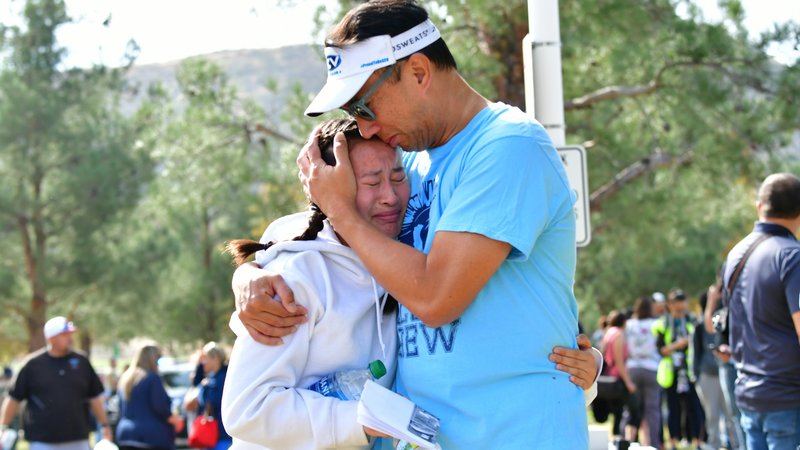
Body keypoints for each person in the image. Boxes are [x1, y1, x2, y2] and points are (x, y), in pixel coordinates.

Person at [231, 1, 601, 448]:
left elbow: (436, 297)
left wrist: (343, 212)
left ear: (419, 72)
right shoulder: (407, 160)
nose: (364, 129)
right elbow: (319, 237)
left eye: (364, 106)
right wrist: (252, 274)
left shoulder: (508, 147)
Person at [221, 118, 404, 449]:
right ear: (331, 189)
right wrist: (359, 420)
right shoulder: (295, 279)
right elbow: (247, 408)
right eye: (371, 183)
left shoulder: (398, 257)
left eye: (398, 177)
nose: (391, 196)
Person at [721, 173, 800, 450]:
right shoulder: (792, 256)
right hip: (788, 397)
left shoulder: (735, 254)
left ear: (759, 206)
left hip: (748, 392)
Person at [0, 316, 113, 449]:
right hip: (42, 440)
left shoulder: (81, 362)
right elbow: (14, 398)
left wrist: (105, 424)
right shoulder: (33, 365)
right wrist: (3, 427)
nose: (70, 338)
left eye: (70, 334)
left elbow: (94, 397)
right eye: (64, 334)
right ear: (51, 338)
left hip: (77, 437)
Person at [653, 289, 704, 450]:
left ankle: (696, 441)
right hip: (671, 373)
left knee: (694, 407)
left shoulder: (692, 321)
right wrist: (678, 344)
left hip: (689, 371)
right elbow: (661, 349)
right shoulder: (663, 324)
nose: (681, 311)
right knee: (672, 408)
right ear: (671, 305)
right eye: (677, 308)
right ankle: (673, 441)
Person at [115, 344, 184, 450]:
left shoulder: (126, 378)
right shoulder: (152, 378)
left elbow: (120, 407)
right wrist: (175, 420)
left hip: (126, 435)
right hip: (151, 437)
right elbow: (161, 407)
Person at [692, 292, 736, 450]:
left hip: (726, 372)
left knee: (732, 415)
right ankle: (714, 445)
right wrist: (696, 376)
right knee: (712, 415)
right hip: (708, 374)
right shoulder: (700, 326)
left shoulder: (727, 318)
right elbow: (695, 352)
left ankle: (734, 444)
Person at [622, 296, 662, 448]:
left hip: (633, 367)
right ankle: (653, 444)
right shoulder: (656, 323)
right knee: (652, 410)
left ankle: (628, 441)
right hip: (651, 367)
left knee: (632, 408)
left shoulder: (630, 325)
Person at [601, 310, 639, 444]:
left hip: (608, 379)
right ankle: (624, 441)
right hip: (617, 378)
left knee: (617, 411)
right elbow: (619, 361)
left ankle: (616, 440)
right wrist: (628, 382)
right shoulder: (618, 334)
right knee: (634, 409)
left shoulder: (608, 333)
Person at [185, 342, 231, 450]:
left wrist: (204, 389)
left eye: (205, 358)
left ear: (216, 358)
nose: (202, 362)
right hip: (214, 437)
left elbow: (214, 401)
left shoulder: (224, 378)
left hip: (223, 436)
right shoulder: (212, 377)